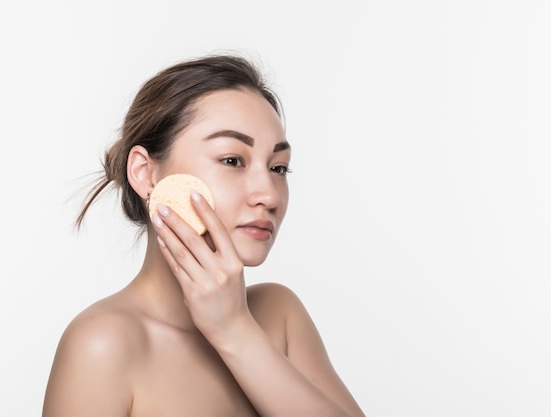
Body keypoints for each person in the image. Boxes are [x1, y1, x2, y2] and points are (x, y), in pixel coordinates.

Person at [42, 53, 366, 417]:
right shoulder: (103, 344)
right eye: (232, 160)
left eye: (278, 168)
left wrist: (234, 329)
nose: (269, 195)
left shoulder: (279, 316)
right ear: (146, 175)